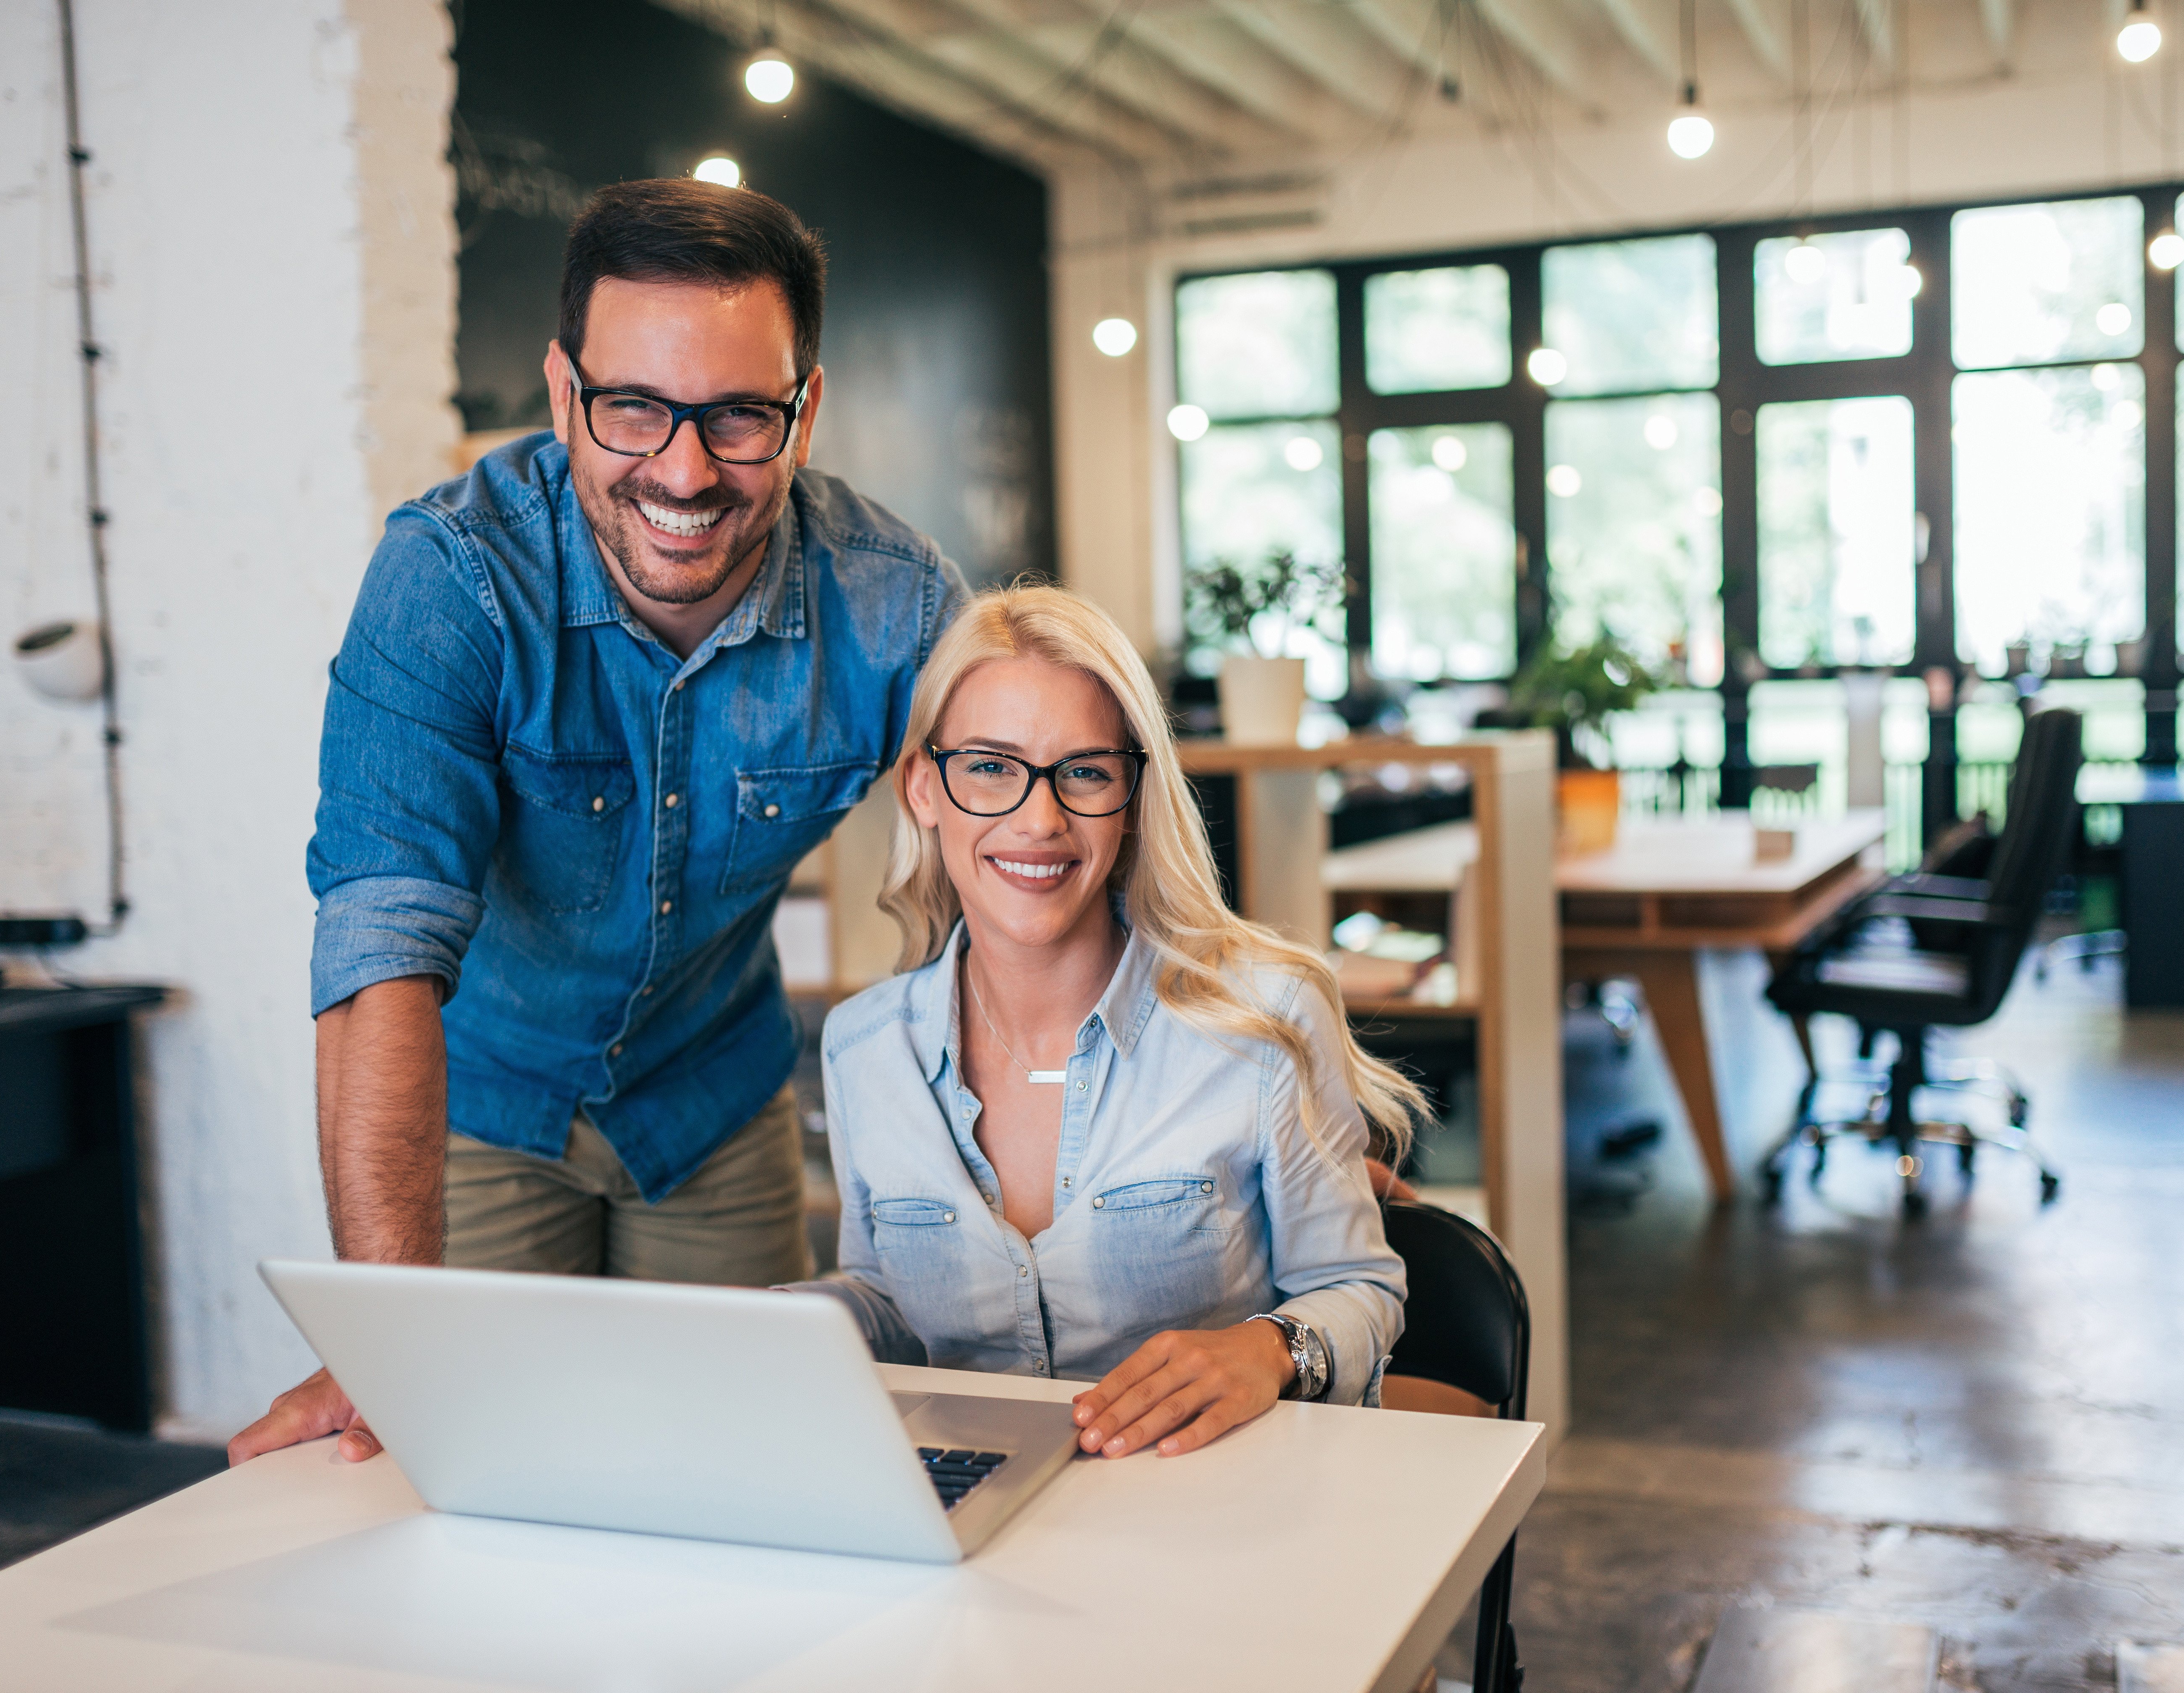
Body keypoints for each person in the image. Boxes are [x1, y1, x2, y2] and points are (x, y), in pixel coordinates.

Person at [228, 178, 966, 1465]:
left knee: (747, 1475)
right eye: (633, 409)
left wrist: (1257, 1101)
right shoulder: (450, 579)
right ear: (565, 393)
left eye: (741, 417)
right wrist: (387, 1336)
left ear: (806, 409)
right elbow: (378, 949)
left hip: (713, 1102)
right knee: (472, 1476)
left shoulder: (893, 606)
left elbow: (1057, 856)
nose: (684, 472)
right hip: (479, 1104)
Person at [794, 586, 1415, 1459]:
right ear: (924, 790)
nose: (1038, 819)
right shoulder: (864, 1047)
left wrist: (1269, 1350)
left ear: (1130, 799)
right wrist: (776, 1322)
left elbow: (1358, 1286)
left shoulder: (1263, 1020)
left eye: (1084, 771)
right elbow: (890, 1303)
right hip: (971, 1512)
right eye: (989, 767)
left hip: (1208, 1514)